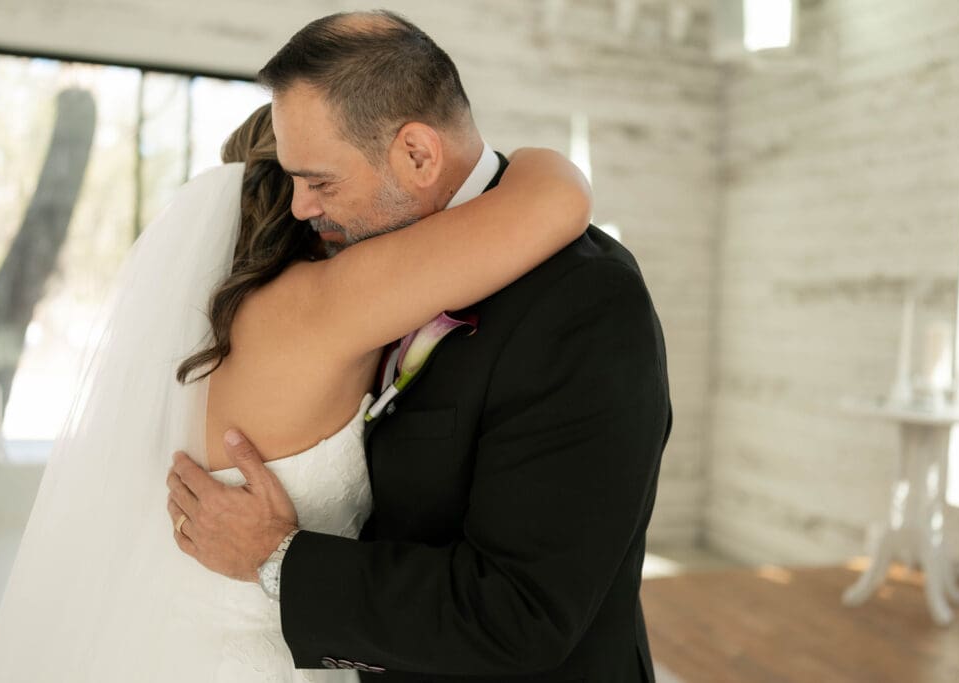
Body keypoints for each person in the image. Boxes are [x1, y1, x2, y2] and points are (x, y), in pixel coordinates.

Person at [0, 97, 592, 683]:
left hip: (181, 638)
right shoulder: (328, 302)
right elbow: (556, 201)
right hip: (273, 653)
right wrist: (539, 153)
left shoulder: (209, 318)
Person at [167, 10, 672, 683]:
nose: (301, 208)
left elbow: (519, 614)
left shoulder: (584, 303)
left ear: (417, 154)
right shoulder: (357, 272)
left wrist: (277, 557)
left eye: (320, 180)